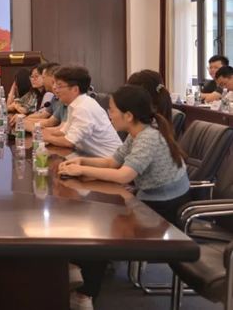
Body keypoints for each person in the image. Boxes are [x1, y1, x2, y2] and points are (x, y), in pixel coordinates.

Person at [59, 85, 191, 310]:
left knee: (102, 233)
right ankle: (76, 269)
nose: (108, 114)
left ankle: (83, 295)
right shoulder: (137, 132)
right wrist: (81, 161)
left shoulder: (148, 138)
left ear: (128, 115)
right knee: (98, 221)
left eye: (111, 110)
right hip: (150, 200)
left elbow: (124, 175)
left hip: (166, 211)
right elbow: (113, 162)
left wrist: (82, 170)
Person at [43, 66, 122, 157]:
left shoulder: (83, 108)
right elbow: (64, 131)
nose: (55, 90)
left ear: (75, 89)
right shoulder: (76, 104)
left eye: (59, 86)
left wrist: (48, 137)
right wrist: (42, 132)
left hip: (108, 160)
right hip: (89, 157)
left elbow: (69, 141)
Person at [23, 63, 68, 133]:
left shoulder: (70, 102)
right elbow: (50, 121)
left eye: (59, 85)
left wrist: (33, 128)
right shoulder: (57, 98)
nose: (43, 82)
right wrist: (24, 121)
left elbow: (61, 130)